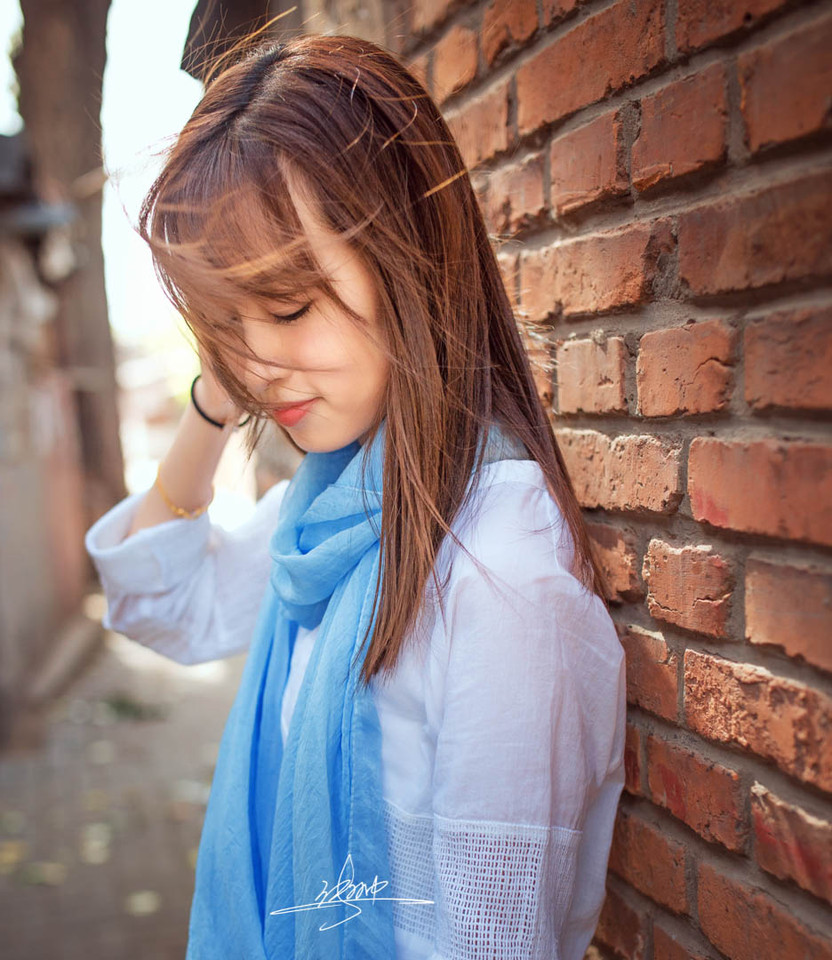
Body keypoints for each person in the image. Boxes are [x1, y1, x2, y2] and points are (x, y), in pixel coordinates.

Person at [84, 32, 626, 960]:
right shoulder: (334, 509)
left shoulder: (498, 577)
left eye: (289, 306)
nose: (257, 361)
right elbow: (160, 599)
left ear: (408, 254)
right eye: (224, 323)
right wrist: (217, 392)